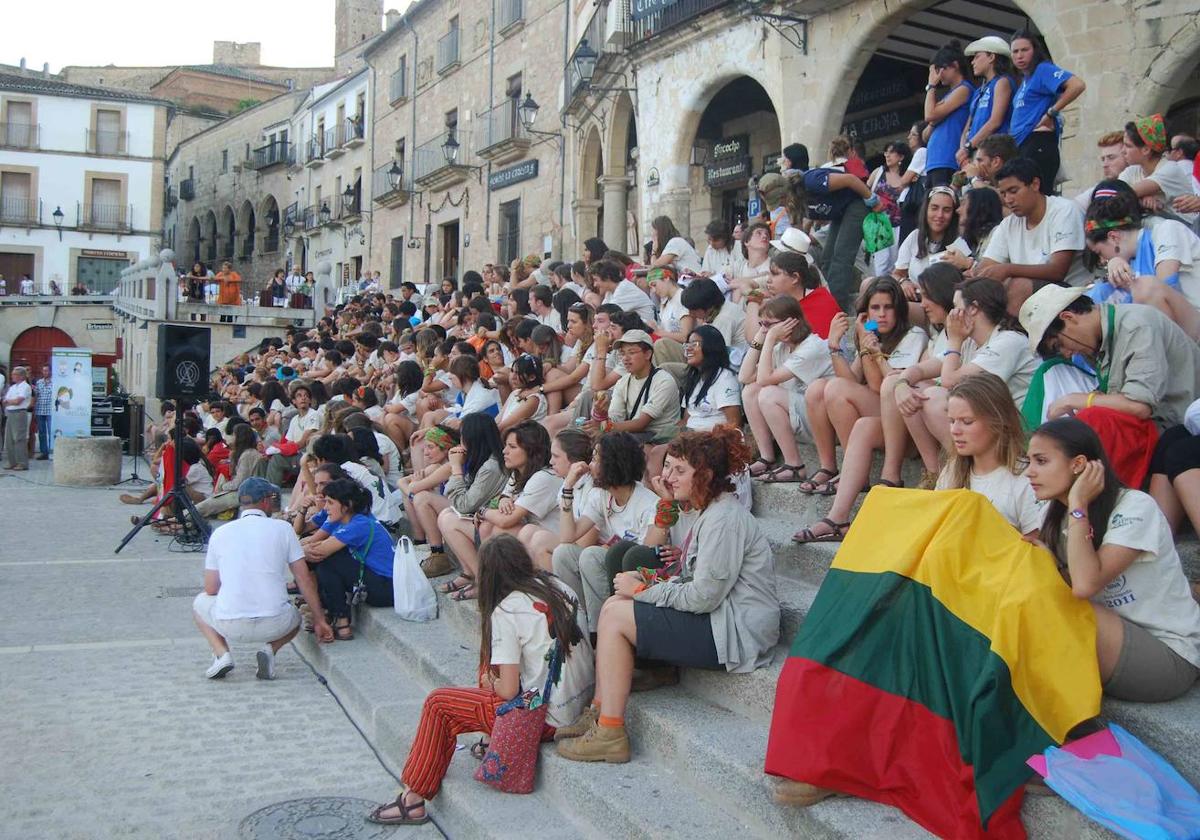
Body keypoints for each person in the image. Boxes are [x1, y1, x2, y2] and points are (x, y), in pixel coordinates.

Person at [555, 427, 780, 763]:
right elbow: (692, 580)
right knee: (616, 603)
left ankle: (611, 730)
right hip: (719, 618)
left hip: (736, 632)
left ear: (704, 475)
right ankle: (599, 710)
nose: (667, 476)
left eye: (679, 470)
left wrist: (645, 589)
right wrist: (647, 580)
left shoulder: (724, 519)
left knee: (618, 613)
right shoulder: (704, 510)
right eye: (668, 466)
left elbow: (704, 597)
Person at [366, 535, 592, 826]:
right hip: (579, 703)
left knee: (439, 704)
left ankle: (413, 799)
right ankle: (487, 740)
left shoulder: (507, 608)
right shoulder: (558, 585)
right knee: (491, 657)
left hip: (546, 717)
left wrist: (489, 680)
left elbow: (509, 691)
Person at [1026, 418, 1200, 701]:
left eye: (1041, 461)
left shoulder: (1134, 507)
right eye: (1029, 462)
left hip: (1169, 655)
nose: (1029, 472)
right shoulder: (1052, 514)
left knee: (1055, 609)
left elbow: (1084, 586)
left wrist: (1078, 504)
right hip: (1113, 639)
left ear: (1078, 464)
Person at [1020, 283, 1200, 488]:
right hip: (1153, 427)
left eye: (1059, 345)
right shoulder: (1097, 341)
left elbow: (1140, 406)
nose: (1067, 354)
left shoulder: (1136, 325)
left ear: (1068, 318)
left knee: (1092, 419)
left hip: (1175, 426)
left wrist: (1076, 400)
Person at [193, 478, 332, 680]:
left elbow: (211, 588)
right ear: (266, 501)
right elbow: (304, 579)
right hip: (276, 622)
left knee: (199, 604)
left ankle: (221, 654)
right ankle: (270, 650)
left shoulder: (220, 533)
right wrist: (319, 619)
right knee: (296, 615)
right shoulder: (283, 529)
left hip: (231, 625)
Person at [801, 278, 928, 500]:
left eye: (888, 308)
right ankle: (831, 467)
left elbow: (880, 386)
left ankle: (856, 473)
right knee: (818, 388)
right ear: (866, 313)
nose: (881, 314)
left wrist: (868, 346)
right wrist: (834, 346)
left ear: (898, 310)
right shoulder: (873, 335)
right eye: (875, 308)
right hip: (879, 415)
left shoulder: (914, 335)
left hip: (903, 421)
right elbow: (849, 379)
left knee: (835, 389)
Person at [900, 277, 1037, 477]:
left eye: (956, 307)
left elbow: (950, 382)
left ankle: (966, 469)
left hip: (1017, 427)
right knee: (914, 392)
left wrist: (954, 339)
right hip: (989, 420)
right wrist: (901, 384)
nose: (952, 314)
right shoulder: (971, 341)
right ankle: (934, 473)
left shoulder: (1009, 341)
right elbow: (920, 370)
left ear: (973, 309)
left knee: (933, 399)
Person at [439, 421, 562, 600]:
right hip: (527, 535)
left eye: (512, 447)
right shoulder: (517, 472)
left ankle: (491, 584)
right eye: (506, 446)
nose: (504, 451)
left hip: (545, 540)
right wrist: (502, 500)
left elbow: (502, 519)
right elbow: (500, 504)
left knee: (493, 527)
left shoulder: (543, 477)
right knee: (450, 517)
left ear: (531, 450)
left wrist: (482, 510)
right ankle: (482, 580)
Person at [552, 432, 659, 636]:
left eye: (594, 459)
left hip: (633, 577)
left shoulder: (647, 504)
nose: (589, 465)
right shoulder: (602, 495)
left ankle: (598, 633)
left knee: (591, 555)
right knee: (563, 553)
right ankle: (576, 620)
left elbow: (643, 557)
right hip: (609, 569)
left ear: (612, 463)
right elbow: (568, 536)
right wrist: (568, 487)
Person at [1082, 180, 1200, 338]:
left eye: (1100, 252)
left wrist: (1128, 281)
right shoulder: (1131, 259)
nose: (1103, 260)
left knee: (1145, 288)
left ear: (1113, 237)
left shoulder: (1167, 230)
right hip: (1179, 327)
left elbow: (1165, 286)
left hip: (1194, 322)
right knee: (1099, 296)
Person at [975, 157, 1092, 311]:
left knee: (1017, 285)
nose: (1008, 199)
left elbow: (1058, 270)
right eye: (1003, 194)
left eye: (1013, 191)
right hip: (1034, 293)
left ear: (1035, 184)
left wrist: (1007, 269)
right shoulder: (1008, 224)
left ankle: (1014, 334)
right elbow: (988, 265)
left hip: (1070, 293)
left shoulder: (1064, 210)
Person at [935, 373, 1043, 538]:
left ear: (998, 421)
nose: (955, 430)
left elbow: (1035, 551)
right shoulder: (951, 470)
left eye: (967, 421)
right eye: (951, 421)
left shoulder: (1027, 478)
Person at [741, 297, 831, 483]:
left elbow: (765, 379)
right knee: (750, 391)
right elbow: (745, 377)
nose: (765, 329)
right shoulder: (781, 347)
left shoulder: (812, 347)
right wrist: (760, 338)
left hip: (825, 423)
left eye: (769, 324)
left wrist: (770, 338)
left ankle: (795, 466)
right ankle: (767, 458)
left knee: (767, 393)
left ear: (791, 322)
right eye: (762, 324)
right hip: (802, 416)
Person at [301, 478, 395, 641]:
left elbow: (319, 551)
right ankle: (335, 617)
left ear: (347, 505)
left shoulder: (359, 524)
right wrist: (304, 548)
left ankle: (338, 618)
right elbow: (313, 543)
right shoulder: (353, 520)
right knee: (324, 559)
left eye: (330, 503)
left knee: (325, 560)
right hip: (381, 583)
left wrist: (298, 550)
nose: (325, 507)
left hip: (386, 588)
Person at [416, 413, 507, 578]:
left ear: (474, 439)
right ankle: (468, 573)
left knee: (447, 517)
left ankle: (480, 579)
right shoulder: (480, 459)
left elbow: (464, 505)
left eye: (463, 438)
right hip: (479, 516)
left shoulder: (491, 467)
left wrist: (456, 467)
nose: (461, 443)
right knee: (445, 514)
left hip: (490, 524)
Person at [788, 162, 881, 309]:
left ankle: (836, 307)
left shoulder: (812, 181)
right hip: (840, 212)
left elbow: (850, 179)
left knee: (841, 257)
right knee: (827, 257)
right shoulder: (796, 201)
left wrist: (871, 199)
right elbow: (800, 225)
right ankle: (826, 297)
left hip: (856, 203)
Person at [1008, 29, 1086, 196]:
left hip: (1038, 143)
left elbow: (1077, 85)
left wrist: (1051, 113)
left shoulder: (1043, 70)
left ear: (1035, 51)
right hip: (1023, 146)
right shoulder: (1025, 80)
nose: (1019, 55)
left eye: (1024, 50)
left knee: (1036, 197)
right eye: (1015, 51)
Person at [586, 330, 680, 445]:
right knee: (583, 438)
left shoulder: (664, 381)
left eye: (631, 352)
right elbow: (615, 419)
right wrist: (600, 413)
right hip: (634, 434)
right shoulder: (623, 381)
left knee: (609, 442)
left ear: (647, 354)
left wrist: (603, 426)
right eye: (622, 353)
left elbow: (641, 423)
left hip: (659, 437)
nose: (625, 358)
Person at [1119, 114, 1198, 226]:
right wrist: (1141, 198)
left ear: (1146, 149)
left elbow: (1127, 194)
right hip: (1167, 229)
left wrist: (1138, 199)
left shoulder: (1169, 168)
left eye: (1128, 146)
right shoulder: (1132, 170)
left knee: (1146, 218)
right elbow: (1114, 193)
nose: (1122, 151)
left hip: (1190, 230)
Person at [892, 186, 970, 292]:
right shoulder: (915, 236)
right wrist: (903, 282)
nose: (939, 215)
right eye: (934, 208)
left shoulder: (959, 241)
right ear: (926, 210)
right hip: (915, 298)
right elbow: (897, 274)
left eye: (946, 210)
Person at [923, 41, 975, 187]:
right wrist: (934, 120)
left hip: (948, 159)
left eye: (941, 69)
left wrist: (931, 85)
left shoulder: (964, 89)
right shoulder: (949, 95)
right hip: (934, 160)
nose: (938, 75)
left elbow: (930, 114)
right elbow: (925, 134)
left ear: (955, 65)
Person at [960, 36, 1014, 164]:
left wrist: (968, 146)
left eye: (977, 56)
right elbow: (968, 125)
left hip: (992, 153)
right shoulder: (978, 91)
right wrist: (963, 148)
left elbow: (995, 121)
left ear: (992, 57)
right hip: (974, 151)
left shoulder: (1002, 82)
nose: (973, 62)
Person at [867, 141, 911, 276]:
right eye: (886, 151)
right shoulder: (878, 172)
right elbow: (865, 191)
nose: (887, 155)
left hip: (897, 225)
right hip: (878, 222)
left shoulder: (907, 177)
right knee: (881, 261)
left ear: (901, 157)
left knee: (893, 263)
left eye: (892, 152)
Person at [590, 259, 655, 325]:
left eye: (596, 280)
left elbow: (605, 317)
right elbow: (599, 314)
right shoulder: (610, 292)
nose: (594, 285)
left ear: (607, 277)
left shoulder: (624, 290)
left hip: (647, 332)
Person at [3, 366, 32, 471]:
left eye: (14, 374)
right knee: (9, 439)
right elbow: (5, 401)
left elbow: (18, 401)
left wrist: (10, 401)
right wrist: (10, 401)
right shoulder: (12, 387)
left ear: (21, 376)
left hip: (19, 413)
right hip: (10, 413)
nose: (12, 376)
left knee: (19, 438)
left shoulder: (25, 387)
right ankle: (12, 462)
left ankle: (22, 463)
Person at [33, 364, 52, 460]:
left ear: (50, 371)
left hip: (50, 411)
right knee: (41, 433)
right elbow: (36, 396)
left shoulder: (55, 382)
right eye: (44, 370)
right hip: (40, 410)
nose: (45, 372)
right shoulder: (39, 382)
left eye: (47, 370)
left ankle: (52, 452)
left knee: (51, 432)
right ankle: (44, 452)